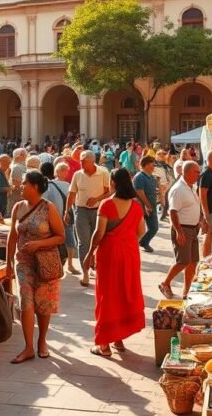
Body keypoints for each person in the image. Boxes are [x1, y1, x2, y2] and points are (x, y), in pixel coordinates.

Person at [6, 171, 66, 364]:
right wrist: (8, 263)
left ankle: (42, 341)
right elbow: (12, 236)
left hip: (45, 262)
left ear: (35, 186)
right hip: (23, 261)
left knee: (43, 303)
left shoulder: (49, 208)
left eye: (25, 183)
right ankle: (28, 347)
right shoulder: (18, 207)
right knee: (26, 302)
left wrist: (39, 244)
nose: (21, 186)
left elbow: (61, 237)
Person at [86, 167, 146, 356]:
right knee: (123, 293)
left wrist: (89, 253)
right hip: (130, 254)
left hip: (110, 253)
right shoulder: (136, 205)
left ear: (113, 183)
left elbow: (99, 233)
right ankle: (118, 338)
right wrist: (127, 240)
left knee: (107, 296)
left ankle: (104, 344)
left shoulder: (107, 204)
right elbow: (141, 231)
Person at [67, 150, 111, 287]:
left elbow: (109, 192)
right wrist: (66, 211)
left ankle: (95, 267)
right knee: (83, 242)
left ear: (92, 161)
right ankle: (85, 272)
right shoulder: (77, 174)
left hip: (99, 211)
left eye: (84, 160)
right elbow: (72, 194)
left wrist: (97, 199)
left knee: (98, 241)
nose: (81, 163)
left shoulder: (103, 172)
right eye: (80, 160)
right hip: (81, 211)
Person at [160, 161, 203, 299]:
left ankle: (186, 291)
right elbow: (173, 212)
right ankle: (165, 283)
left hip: (193, 229)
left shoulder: (192, 187)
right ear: (188, 172)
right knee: (183, 261)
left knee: (193, 262)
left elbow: (194, 206)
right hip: (183, 228)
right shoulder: (178, 189)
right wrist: (179, 231)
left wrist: (200, 220)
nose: (198, 174)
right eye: (196, 172)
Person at [42, 161, 80, 275]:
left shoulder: (56, 184)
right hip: (59, 217)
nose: (65, 172)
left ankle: (68, 264)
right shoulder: (54, 184)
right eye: (63, 170)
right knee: (67, 241)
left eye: (66, 170)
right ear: (57, 171)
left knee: (68, 240)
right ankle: (64, 264)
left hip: (62, 217)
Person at [133, 156, 160, 253]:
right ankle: (135, 245)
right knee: (138, 228)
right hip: (142, 207)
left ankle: (143, 242)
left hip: (151, 206)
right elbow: (139, 192)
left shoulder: (151, 176)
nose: (154, 166)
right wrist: (147, 204)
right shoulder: (139, 177)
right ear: (147, 165)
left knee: (154, 228)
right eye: (152, 164)